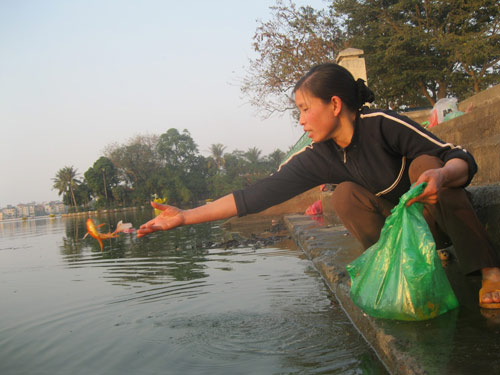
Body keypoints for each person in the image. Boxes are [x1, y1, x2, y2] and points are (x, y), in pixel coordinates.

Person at [138, 63, 500, 309]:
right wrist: (184, 217)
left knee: (428, 165)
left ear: (335, 104)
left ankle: (489, 272)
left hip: (441, 215)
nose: (301, 120)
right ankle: (397, 268)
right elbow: (256, 195)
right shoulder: (319, 156)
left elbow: (459, 156)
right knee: (343, 194)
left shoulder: (381, 124)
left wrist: (441, 176)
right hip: (403, 234)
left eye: (304, 108)